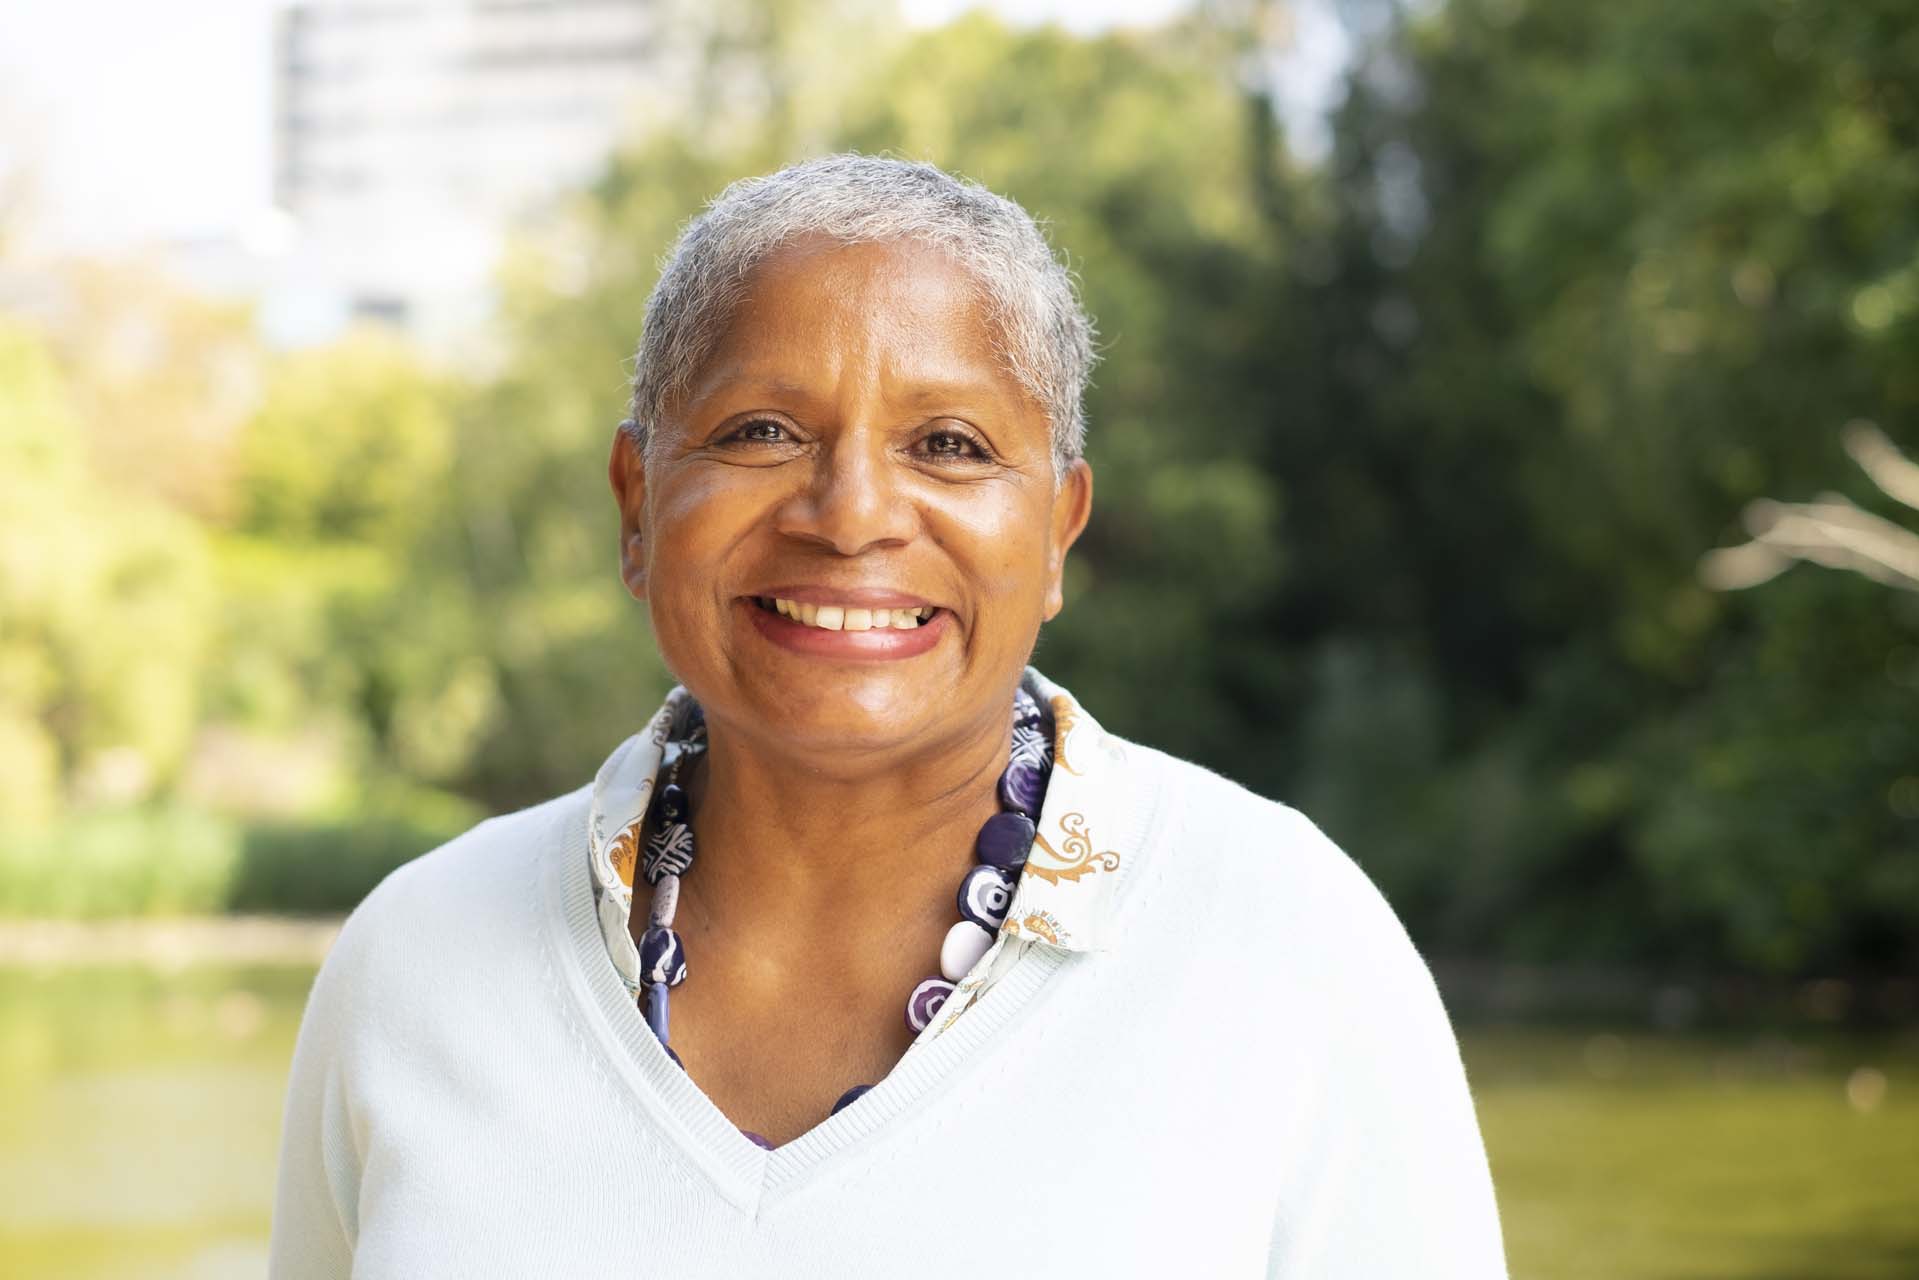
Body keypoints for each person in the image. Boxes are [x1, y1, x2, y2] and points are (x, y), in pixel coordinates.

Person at [269, 154, 1506, 1277]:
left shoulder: (1284, 938)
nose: (851, 511)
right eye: (761, 430)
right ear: (637, 502)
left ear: (1059, 530)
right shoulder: (416, 958)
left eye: (952, 445)